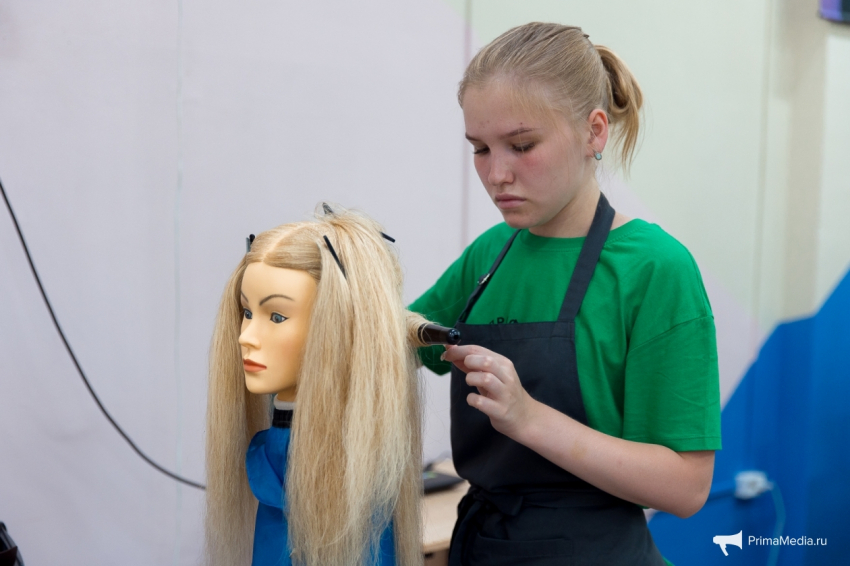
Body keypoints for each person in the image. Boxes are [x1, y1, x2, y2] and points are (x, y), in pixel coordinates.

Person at [410, 23, 721, 566]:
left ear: (593, 132)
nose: (496, 174)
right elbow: (403, 339)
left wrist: (528, 418)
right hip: (483, 547)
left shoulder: (653, 269)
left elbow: (686, 487)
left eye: (522, 146)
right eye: (480, 148)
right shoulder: (492, 254)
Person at [204, 205, 430, 566]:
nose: (246, 336)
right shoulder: (275, 456)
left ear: (338, 326)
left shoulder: (355, 476)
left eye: (277, 316)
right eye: (247, 312)